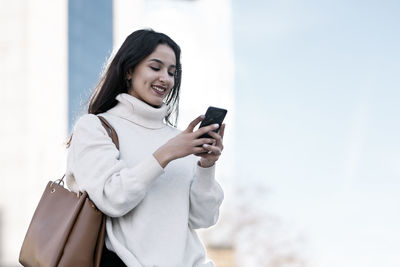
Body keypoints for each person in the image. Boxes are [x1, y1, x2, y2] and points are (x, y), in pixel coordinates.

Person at [65, 29, 225, 267]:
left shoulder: (180, 139)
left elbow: (203, 217)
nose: (166, 79)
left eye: (172, 72)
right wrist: (165, 154)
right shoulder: (95, 127)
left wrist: (206, 166)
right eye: (155, 67)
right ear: (129, 70)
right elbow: (112, 198)